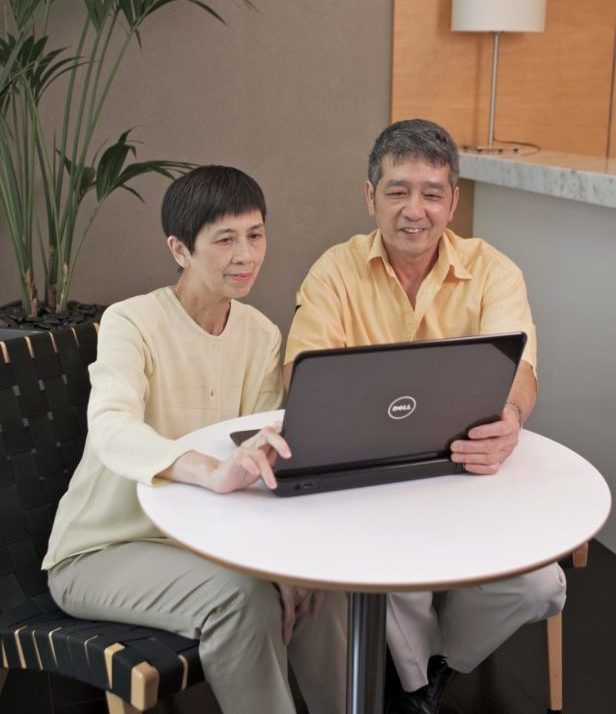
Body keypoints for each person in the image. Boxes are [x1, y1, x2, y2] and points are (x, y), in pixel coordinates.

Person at [283, 120, 566, 714]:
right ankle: (414, 691)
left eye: (432, 193)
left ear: (453, 201)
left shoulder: (494, 271)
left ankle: (438, 664)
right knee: (384, 566)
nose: (415, 210)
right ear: (370, 197)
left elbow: (522, 370)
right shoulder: (333, 271)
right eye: (398, 191)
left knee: (543, 585)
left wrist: (511, 415)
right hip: (374, 482)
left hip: (468, 474)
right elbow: (298, 378)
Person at [43, 165, 347, 714]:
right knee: (242, 600)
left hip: (203, 547)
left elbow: (259, 461)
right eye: (225, 239)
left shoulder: (260, 334)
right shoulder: (131, 322)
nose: (246, 255)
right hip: (102, 552)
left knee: (320, 586)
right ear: (180, 250)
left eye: (255, 235)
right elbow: (112, 426)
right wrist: (209, 470)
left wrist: (284, 564)